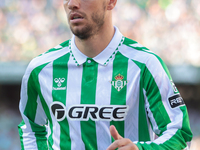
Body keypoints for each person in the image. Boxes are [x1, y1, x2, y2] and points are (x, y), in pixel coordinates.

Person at [18, 0, 193, 149]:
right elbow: (31, 129)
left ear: (111, 2)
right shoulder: (40, 69)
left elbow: (179, 133)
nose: (72, 4)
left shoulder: (146, 65)